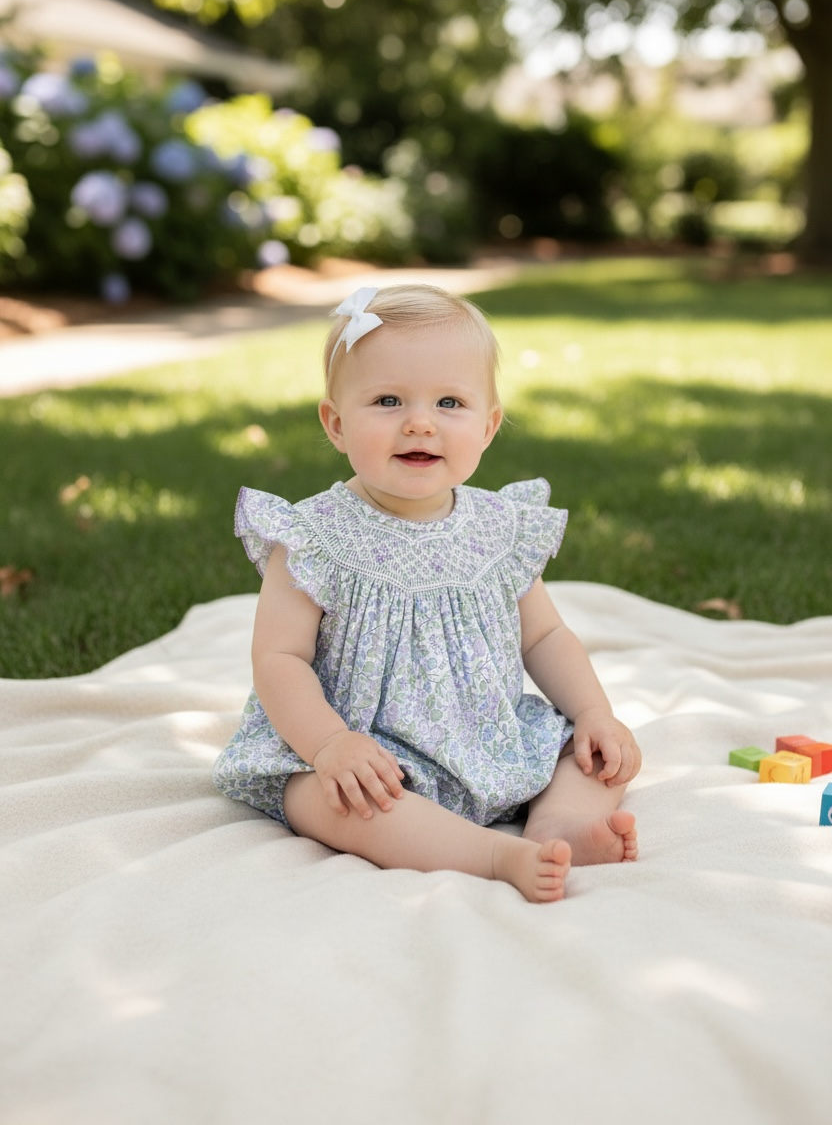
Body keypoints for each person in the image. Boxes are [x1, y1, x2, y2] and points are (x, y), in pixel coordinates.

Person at [214, 283, 641, 902]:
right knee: (335, 803)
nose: (420, 422)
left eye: (450, 402)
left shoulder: (499, 526)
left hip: (491, 734)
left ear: (488, 426)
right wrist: (330, 744)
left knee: (600, 754)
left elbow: (545, 635)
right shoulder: (314, 537)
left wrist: (595, 712)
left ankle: (560, 824)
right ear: (335, 423)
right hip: (366, 750)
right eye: (387, 400)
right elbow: (279, 659)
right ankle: (493, 854)